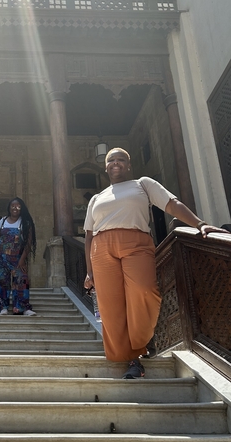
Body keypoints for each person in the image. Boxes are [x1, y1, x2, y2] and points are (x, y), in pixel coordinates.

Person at [83, 147, 229, 379]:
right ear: (106, 166)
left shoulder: (143, 184)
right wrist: (89, 272)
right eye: (111, 160)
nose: (116, 163)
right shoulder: (96, 198)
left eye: (122, 159)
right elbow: (89, 236)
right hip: (101, 249)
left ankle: (142, 340)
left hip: (136, 242)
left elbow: (171, 204)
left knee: (144, 292)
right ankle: (133, 359)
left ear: (129, 165)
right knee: (111, 307)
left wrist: (199, 224)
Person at [0, 197, 37, 316]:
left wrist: (22, 260)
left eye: (18, 206)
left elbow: (28, 243)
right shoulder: (3, 220)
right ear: (9, 208)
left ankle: (23, 308)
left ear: (22, 208)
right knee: (2, 282)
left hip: (17, 258)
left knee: (21, 281)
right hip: (0, 257)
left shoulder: (25, 222)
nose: (15, 208)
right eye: (13, 206)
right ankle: (3, 307)